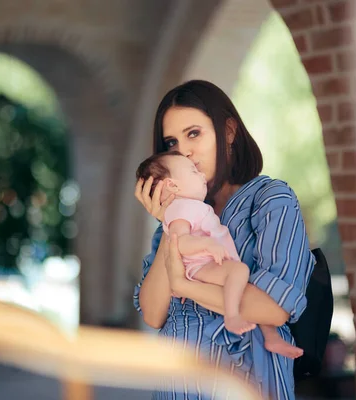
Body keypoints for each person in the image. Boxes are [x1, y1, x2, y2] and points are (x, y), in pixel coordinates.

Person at [133, 80, 315, 400]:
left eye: (194, 133)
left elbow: (273, 309)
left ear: (228, 132)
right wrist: (170, 223)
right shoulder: (175, 220)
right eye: (171, 143)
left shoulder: (271, 200)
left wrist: (186, 285)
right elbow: (153, 313)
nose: (184, 151)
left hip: (245, 382)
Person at [135, 151, 304, 359]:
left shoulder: (192, 207)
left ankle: (271, 337)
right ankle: (232, 316)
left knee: (241, 287)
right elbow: (180, 243)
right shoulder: (180, 209)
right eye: (192, 171)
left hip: (208, 262)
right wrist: (206, 244)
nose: (200, 175)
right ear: (172, 185)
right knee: (239, 272)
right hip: (200, 265)